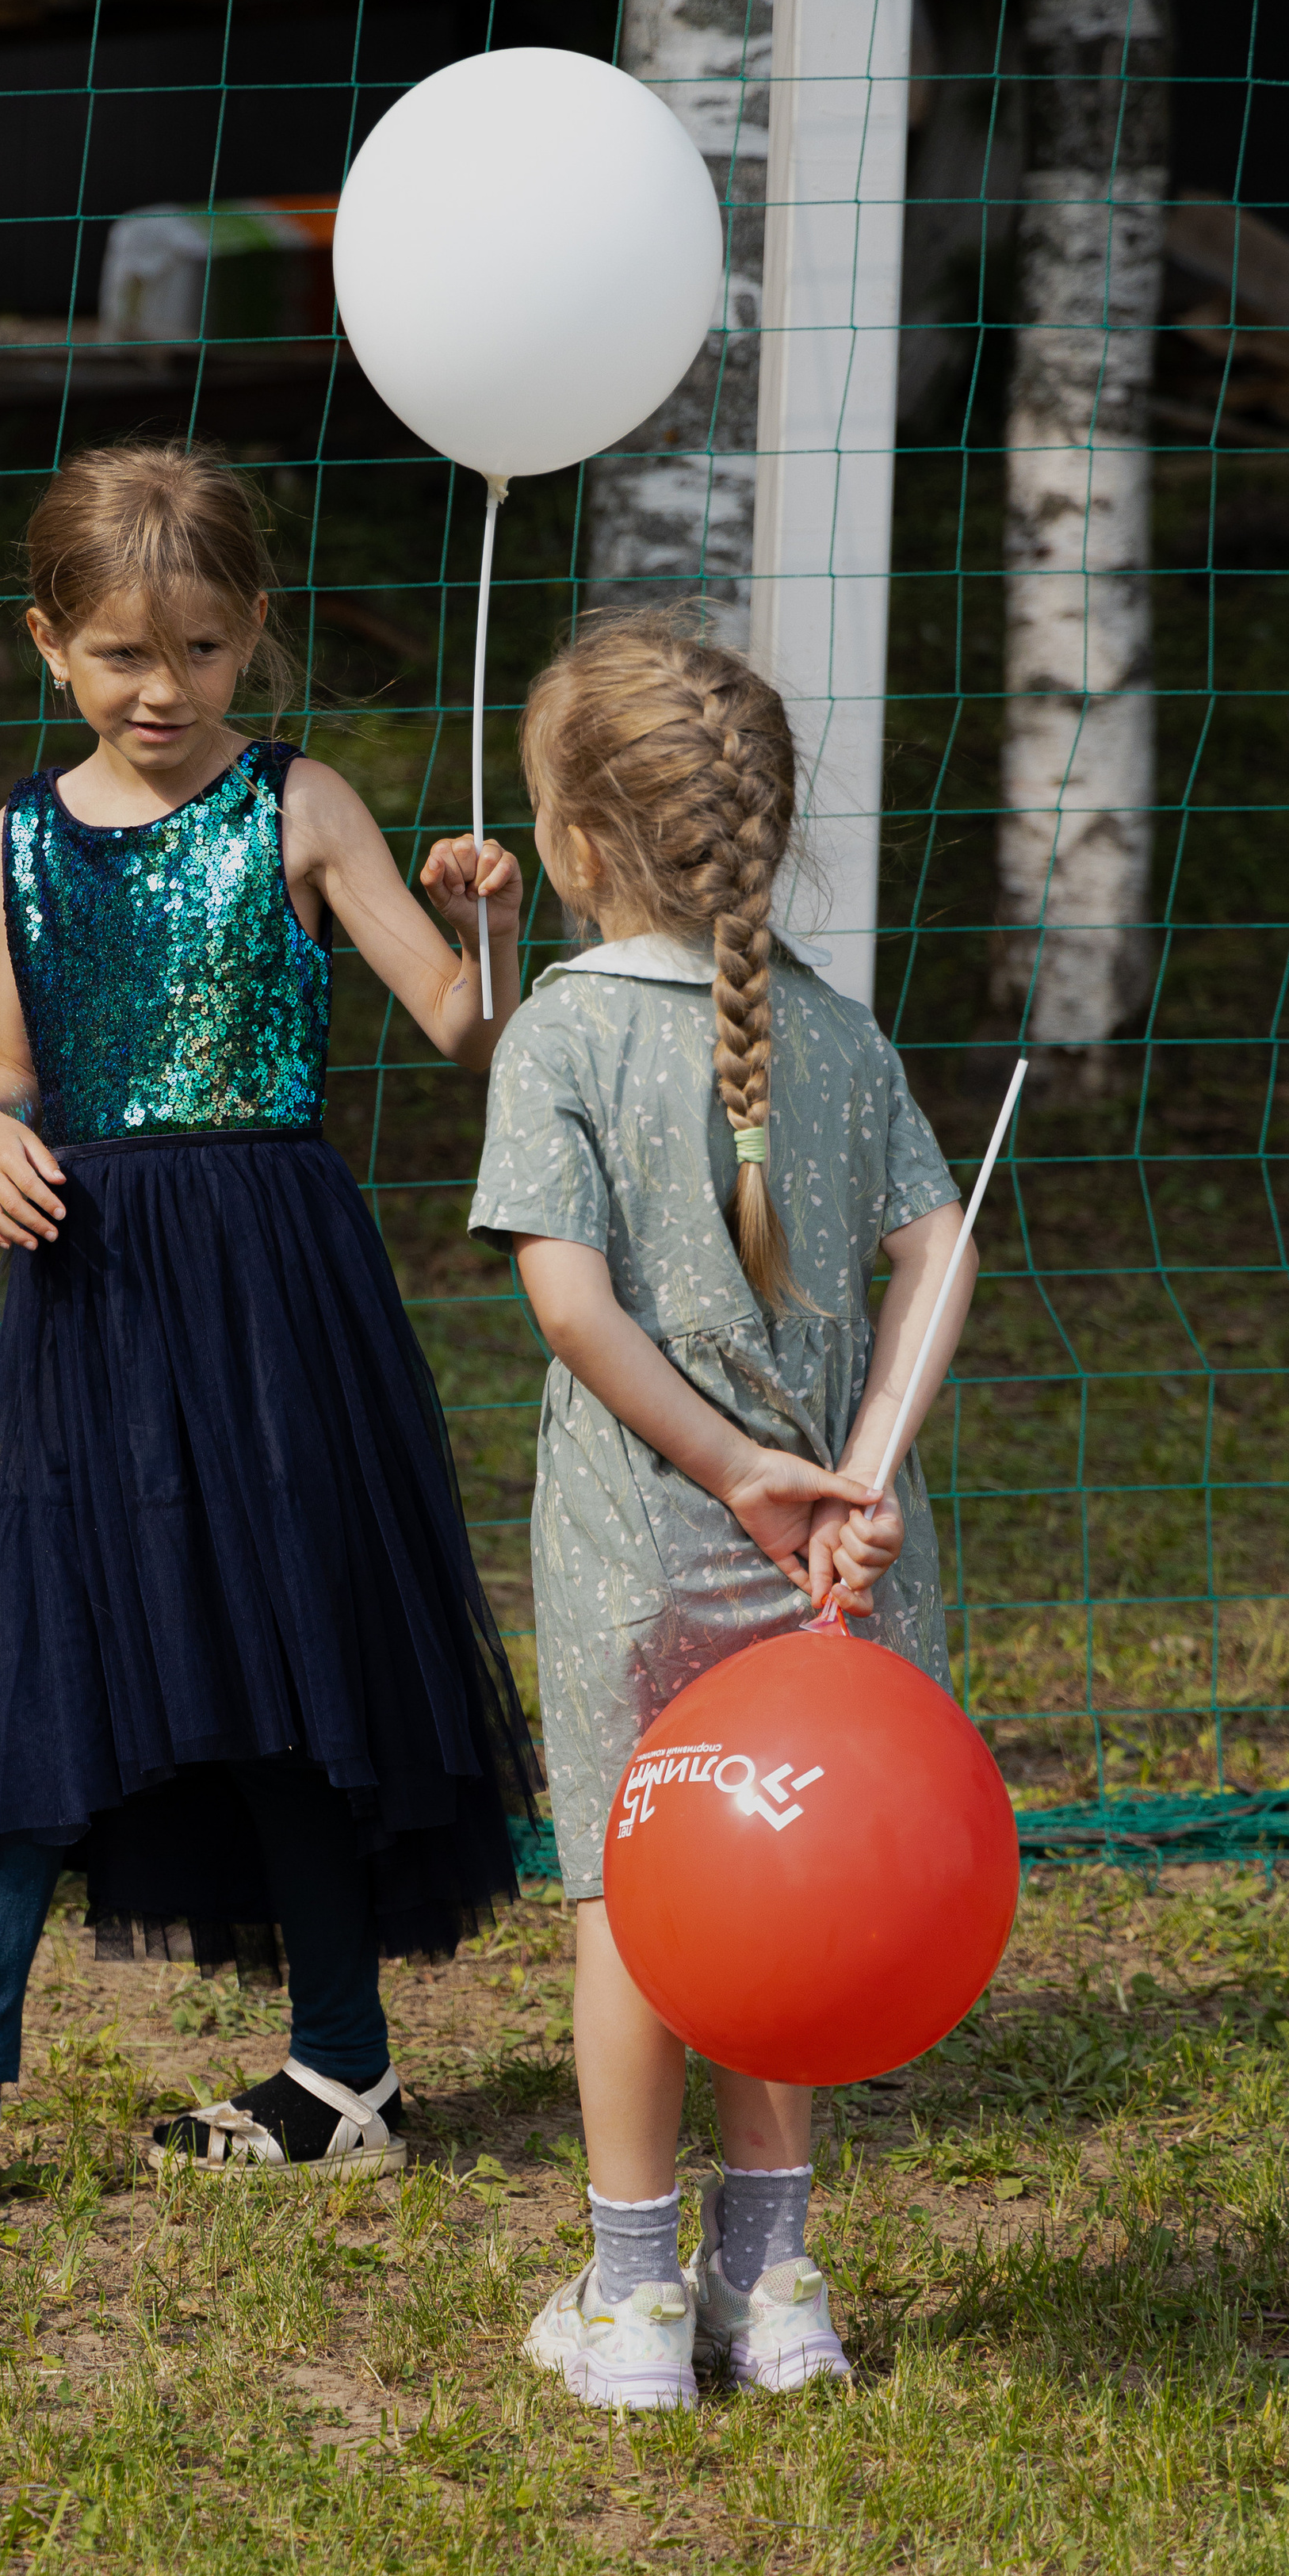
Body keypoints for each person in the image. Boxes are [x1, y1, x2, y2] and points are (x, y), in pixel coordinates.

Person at [0, 441, 536, 2205]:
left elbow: (464, 1028)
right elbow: (13, 1071)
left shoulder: (299, 803)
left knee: (281, 1659)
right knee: (46, 1657)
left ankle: (342, 2069)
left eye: (199, 650)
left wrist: (491, 928)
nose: (161, 689)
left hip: (269, 1294)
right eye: (122, 653)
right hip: (92, 1298)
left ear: (251, 633)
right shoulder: (21, 839)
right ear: (49, 643)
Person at [468, 611, 975, 2411]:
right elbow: (941, 1247)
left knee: (635, 1905)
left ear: (572, 843)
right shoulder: (837, 1029)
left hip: (646, 1556)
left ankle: (630, 2307)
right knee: (791, 1895)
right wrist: (861, 1461)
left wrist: (733, 1472)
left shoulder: (558, 1032)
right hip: (835, 1564)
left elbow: (567, 1303)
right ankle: (771, 2294)